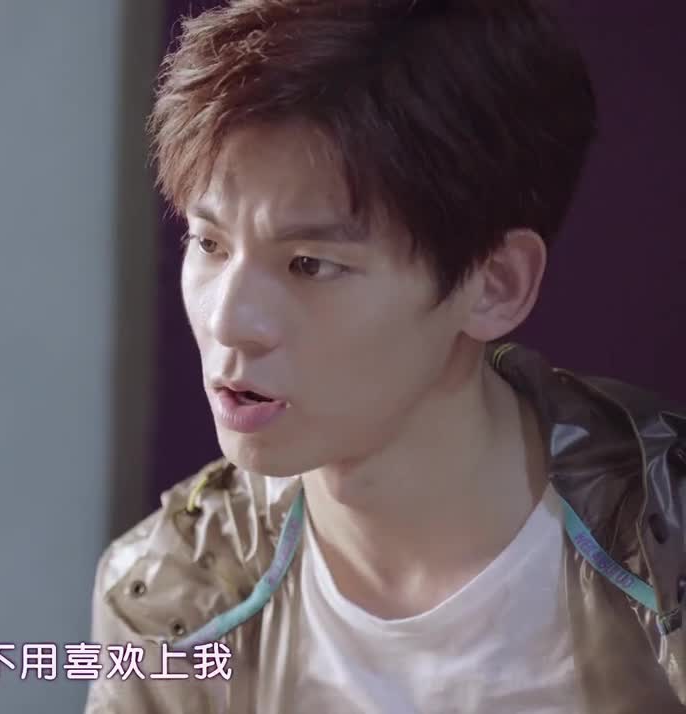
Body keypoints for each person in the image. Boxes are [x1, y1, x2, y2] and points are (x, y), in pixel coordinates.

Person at [84, 1, 686, 712]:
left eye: (309, 264)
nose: (228, 321)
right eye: (210, 243)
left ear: (494, 284)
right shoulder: (172, 593)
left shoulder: (665, 551)